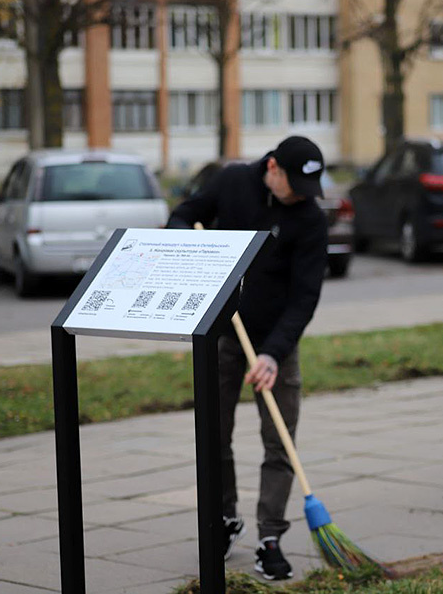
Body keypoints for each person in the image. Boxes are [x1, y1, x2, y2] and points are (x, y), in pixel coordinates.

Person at [167, 136, 328, 580]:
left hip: (277, 341)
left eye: (308, 188)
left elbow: (305, 296)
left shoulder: (310, 219)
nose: (301, 195)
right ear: (273, 167)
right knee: (214, 433)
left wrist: (274, 354)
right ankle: (223, 518)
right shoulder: (234, 182)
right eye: (295, 184)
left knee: (279, 440)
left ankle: (270, 537)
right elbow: (183, 214)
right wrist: (188, 245)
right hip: (223, 332)